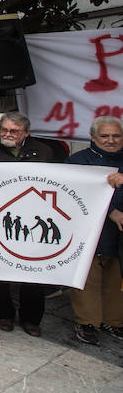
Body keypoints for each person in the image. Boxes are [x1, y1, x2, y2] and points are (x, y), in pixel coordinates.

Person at [0, 112, 52, 336]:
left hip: (34, 221)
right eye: (4, 130)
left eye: (14, 131)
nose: (7, 135)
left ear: (26, 133)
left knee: (33, 269)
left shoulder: (45, 151)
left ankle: (31, 319)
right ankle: (4, 314)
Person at [65, 115, 123, 345]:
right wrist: (111, 212)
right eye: (105, 136)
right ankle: (87, 321)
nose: (111, 140)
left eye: (116, 136)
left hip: (119, 236)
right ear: (92, 137)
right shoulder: (78, 162)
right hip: (90, 231)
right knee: (88, 278)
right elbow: (73, 194)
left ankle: (114, 320)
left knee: (116, 278)